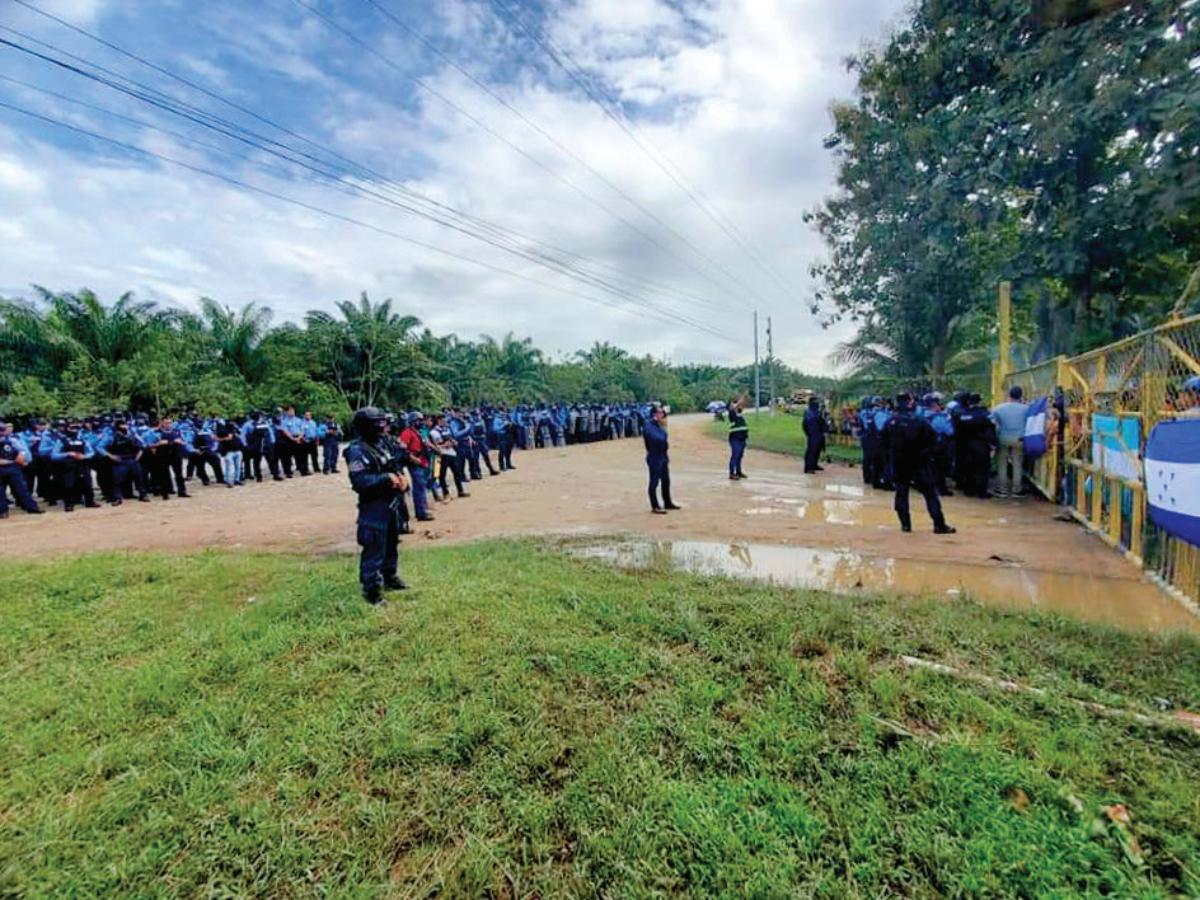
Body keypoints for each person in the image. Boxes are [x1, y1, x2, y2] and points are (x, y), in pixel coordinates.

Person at [345, 406, 409, 606]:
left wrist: (400, 476)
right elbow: (360, 481)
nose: (383, 427)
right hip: (373, 507)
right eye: (379, 423)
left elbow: (395, 463)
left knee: (391, 543)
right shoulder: (357, 451)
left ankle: (390, 577)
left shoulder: (384, 444)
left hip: (392, 504)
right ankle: (371, 591)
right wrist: (385, 478)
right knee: (374, 547)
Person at [882, 393, 956, 535]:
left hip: (899, 463)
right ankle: (939, 525)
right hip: (919, 462)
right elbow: (935, 441)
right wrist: (927, 454)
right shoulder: (920, 421)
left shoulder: (891, 421)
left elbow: (883, 443)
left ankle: (905, 525)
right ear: (910, 403)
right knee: (930, 494)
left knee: (901, 493)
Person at [97, 418, 150, 505]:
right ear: (117, 426)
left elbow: (143, 444)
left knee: (139, 478)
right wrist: (111, 456)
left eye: (125, 424)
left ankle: (143, 495)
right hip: (120, 461)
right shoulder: (111, 436)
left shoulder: (133, 435)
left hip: (133, 459)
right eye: (122, 425)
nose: (125, 426)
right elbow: (99, 447)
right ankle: (118, 498)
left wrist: (139, 453)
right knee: (117, 481)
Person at [989, 385, 1029, 498]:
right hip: (1020, 438)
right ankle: (1017, 489)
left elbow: (991, 422)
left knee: (1002, 463)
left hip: (1003, 437)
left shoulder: (998, 408)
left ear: (1008, 395)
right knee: (1018, 463)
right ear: (1021, 395)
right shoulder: (1026, 409)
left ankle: (1002, 489)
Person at [955, 394, 997, 498]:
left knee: (969, 467)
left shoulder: (962, 414)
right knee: (982, 469)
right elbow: (991, 429)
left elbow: (957, 430)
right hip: (980, 445)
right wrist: (993, 443)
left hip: (965, 445)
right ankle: (981, 492)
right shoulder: (985, 414)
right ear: (979, 402)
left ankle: (969, 490)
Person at [0, 420, 43, 517]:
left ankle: (32, 508)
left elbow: (23, 451)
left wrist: (22, 457)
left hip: (13, 467)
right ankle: (3, 511)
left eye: (2, 430)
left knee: (22, 488)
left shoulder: (12, 440)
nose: (1, 432)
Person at [643, 403, 680, 514]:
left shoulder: (659, 425)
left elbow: (664, 438)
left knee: (666, 481)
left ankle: (667, 502)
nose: (663, 415)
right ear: (655, 414)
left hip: (662, 456)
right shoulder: (649, 425)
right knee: (654, 482)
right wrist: (663, 432)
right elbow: (658, 439)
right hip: (654, 456)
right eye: (660, 412)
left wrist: (664, 428)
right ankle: (655, 506)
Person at [802, 397, 827, 474]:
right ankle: (808, 468)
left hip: (819, 432)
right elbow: (805, 424)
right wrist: (809, 433)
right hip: (813, 433)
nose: (818, 403)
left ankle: (814, 465)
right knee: (812, 450)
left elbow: (821, 421)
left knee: (818, 449)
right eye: (816, 402)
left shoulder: (817, 411)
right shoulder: (809, 412)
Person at [726, 397, 749, 480]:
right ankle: (732, 474)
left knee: (739, 456)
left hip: (742, 438)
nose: (735, 405)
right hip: (735, 439)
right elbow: (737, 406)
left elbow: (741, 406)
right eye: (733, 404)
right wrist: (741, 399)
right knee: (735, 456)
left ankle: (738, 472)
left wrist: (743, 400)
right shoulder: (731, 413)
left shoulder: (739, 414)